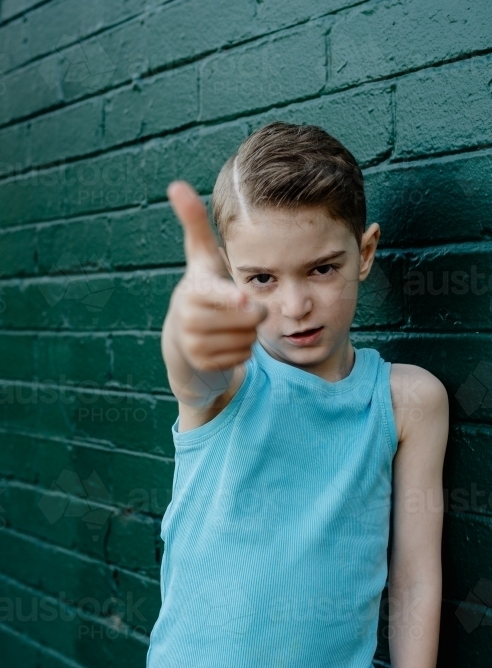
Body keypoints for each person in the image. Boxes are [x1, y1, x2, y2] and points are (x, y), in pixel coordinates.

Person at [146, 121, 448, 668]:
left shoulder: (409, 402)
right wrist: (187, 330)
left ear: (365, 251)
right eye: (261, 278)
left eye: (321, 269)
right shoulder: (230, 380)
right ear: (231, 275)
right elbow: (194, 372)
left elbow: (414, 578)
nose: (294, 305)